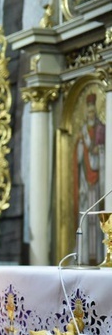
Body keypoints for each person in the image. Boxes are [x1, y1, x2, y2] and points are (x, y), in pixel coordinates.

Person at [74, 92, 106, 264]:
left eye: (93, 113)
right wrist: (81, 145)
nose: (91, 116)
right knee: (87, 220)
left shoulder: (101, 130)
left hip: (99, 185)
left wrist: (98, 150)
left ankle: (99, 257)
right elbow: (78, 158)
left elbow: (102, 153)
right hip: (86, 182)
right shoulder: (83, 132)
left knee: (98, 220)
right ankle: (85, 256)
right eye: (88, 114)